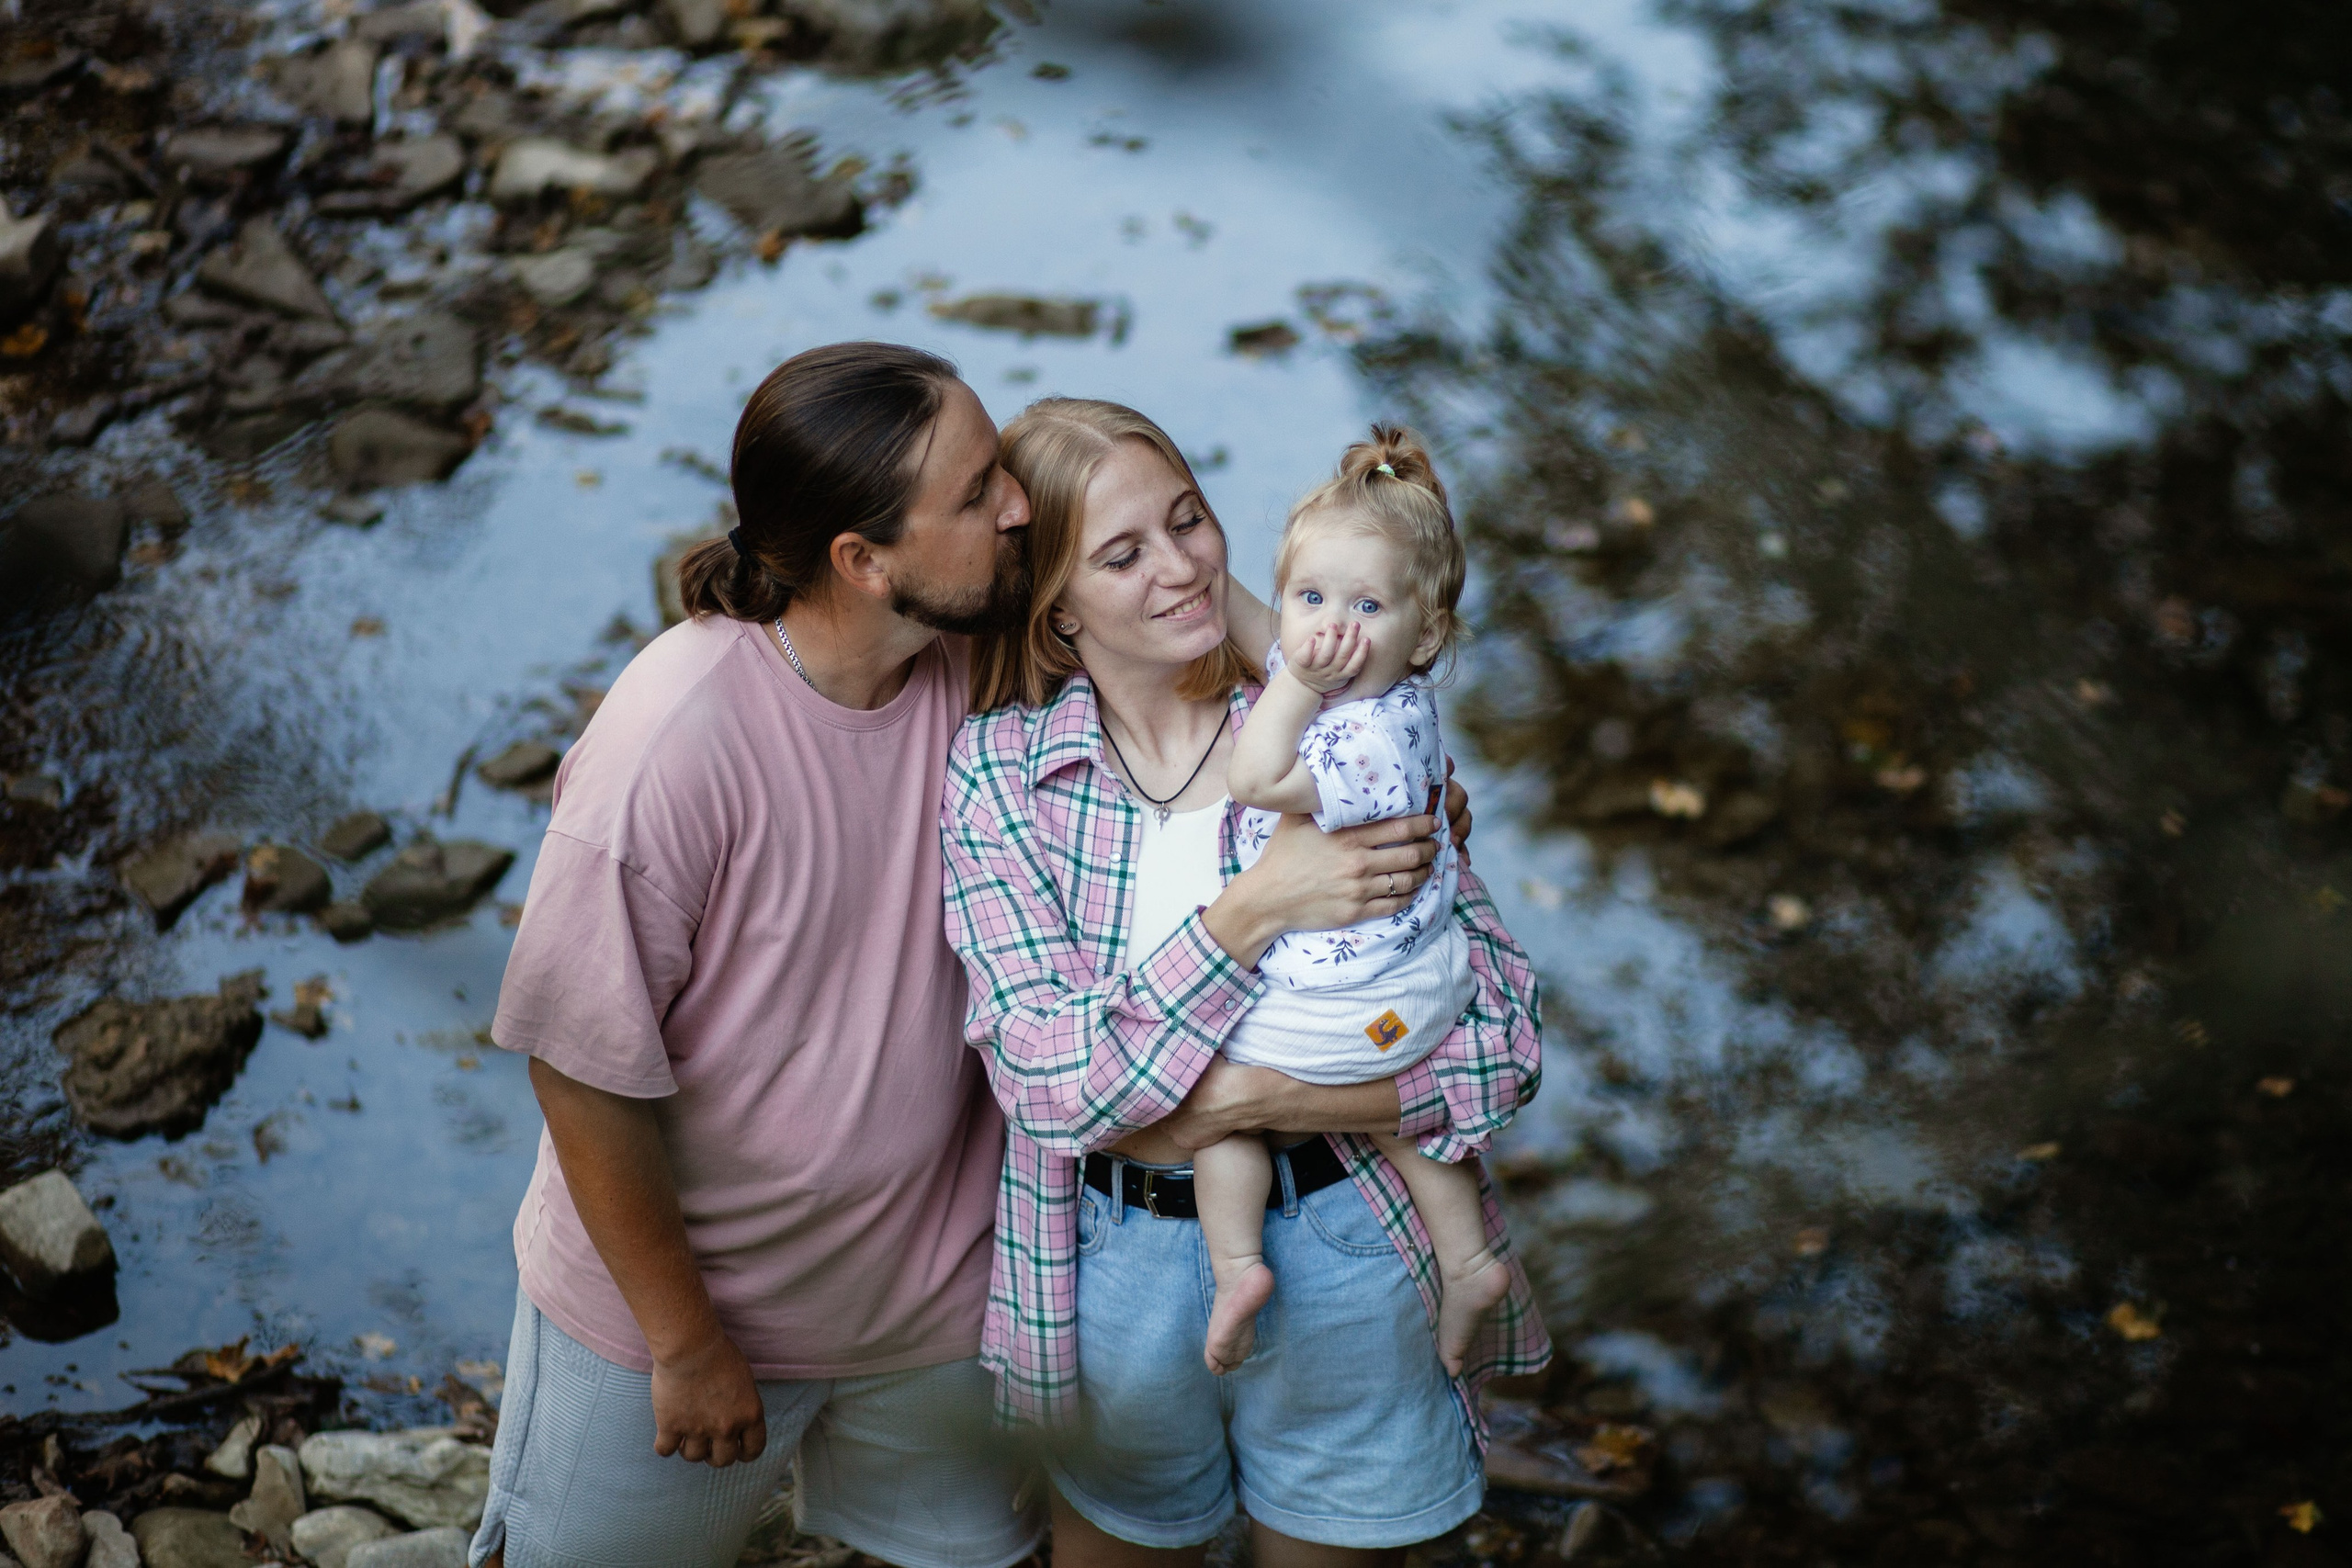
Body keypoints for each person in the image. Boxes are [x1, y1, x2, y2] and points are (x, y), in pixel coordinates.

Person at [943, 397, 1550, 1568]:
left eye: (1189, 521)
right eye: (1122, 554)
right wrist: (1255, 910)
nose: (1179, 567)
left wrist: (1225, 1106)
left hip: (1350, 1242)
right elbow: (1048, 1080)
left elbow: (1498, 1043)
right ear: (1055, 605)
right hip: (1108, 1272)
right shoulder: (1005, 778)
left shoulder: (1343, 727)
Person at [469, 342, 1046, 1568]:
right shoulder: (670, 746)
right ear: (863, 558)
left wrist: (1381, 769)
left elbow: (1195, 679)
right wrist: (684, 1342)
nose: (1020, 505)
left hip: (933, 1309)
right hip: (675, 1326)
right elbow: (579, 1071)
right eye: (980, 487)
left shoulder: (983, 663)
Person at [1202, 424, 1514, 1382]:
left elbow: (1255, 775)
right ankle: (1468, 1260)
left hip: (1358, 1002)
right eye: (1310, 599)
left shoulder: (1354, 741)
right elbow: (1278, 641)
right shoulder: (1393, 703)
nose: (1332, 629)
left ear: (1424, 634)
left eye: (1365, 605)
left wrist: (1291, 678)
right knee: (1405, 1125)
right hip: (1410, 984)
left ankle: (1234, 1266)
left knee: (1219, 1103)